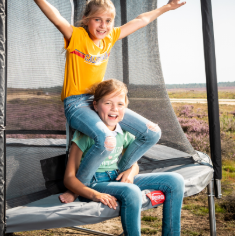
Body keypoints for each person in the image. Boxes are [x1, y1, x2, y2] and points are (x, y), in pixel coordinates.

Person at [19, 0, 186, 203]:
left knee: (151, 133)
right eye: (97, 19)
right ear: (87, 20)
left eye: (108, 21)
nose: (103, 25)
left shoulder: (109, 38)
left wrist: (167, 7)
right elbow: (55, 16)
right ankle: (81, 188)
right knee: (106, 140)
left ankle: (121, 171)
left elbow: (141, 20)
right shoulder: (75, 36)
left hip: (99, 103)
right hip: (76, 104)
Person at [64, 79, 185, 236]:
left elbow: (132, 164)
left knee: (175, 181)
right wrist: (94, 194)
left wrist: (131, 172)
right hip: (93, 185)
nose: (114, 109)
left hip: (117, 178)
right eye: (108, 103)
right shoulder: (85, 135)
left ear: (126, 108)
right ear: (95, 105)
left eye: (120, 104)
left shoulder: (124, 133)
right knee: (132, 191)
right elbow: (69, 178)